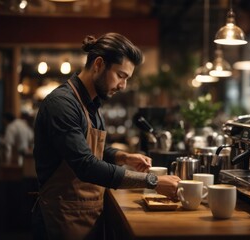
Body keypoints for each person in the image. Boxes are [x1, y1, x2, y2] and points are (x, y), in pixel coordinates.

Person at [32, 32, 181, 240]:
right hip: (60, 218)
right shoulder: (62, 104)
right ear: (99, 64)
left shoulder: (91, 105)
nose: (123, 86)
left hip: (87, 214)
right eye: (121, 76)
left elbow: (90, 150)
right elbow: (86, 165)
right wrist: (153, 181)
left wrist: (124, 157)